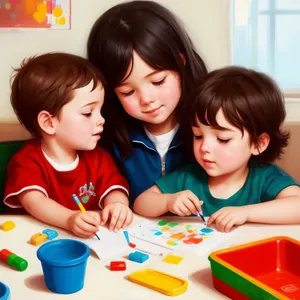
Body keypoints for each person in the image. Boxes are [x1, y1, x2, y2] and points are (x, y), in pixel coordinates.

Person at [134, 66, 300, 232]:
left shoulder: (265, 178)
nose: (204, 147)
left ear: (258, 143)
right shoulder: (189, 177)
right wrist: (168, 201)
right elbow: (141, 203)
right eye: (198, 136)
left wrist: (246, 213)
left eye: (222, 139)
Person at [87, 0, 208, 206]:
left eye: (158, 81)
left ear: (181, 61)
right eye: (128, 91)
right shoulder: (101, 139)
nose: (147, 99)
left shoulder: (213, 128)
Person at [4, 53, 133, 237]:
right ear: (49, 123)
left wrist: (117, 205)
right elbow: (34, 201)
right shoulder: (27, 161)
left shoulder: (98, 157)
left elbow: (114, 188)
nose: (101, 120)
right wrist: (69, 219)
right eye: (88, 112)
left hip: (95, 244)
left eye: (100, 110)